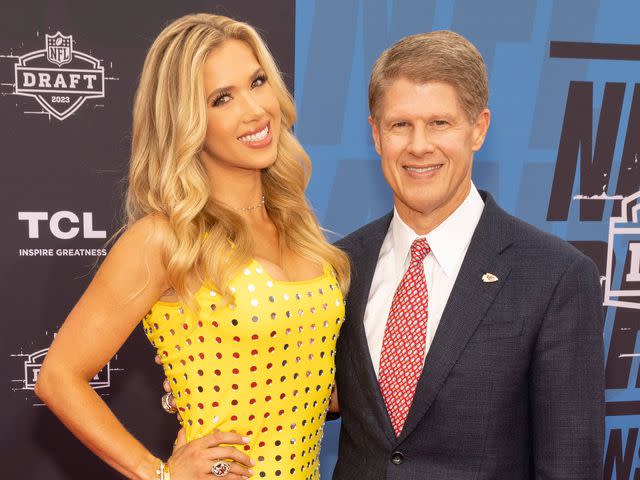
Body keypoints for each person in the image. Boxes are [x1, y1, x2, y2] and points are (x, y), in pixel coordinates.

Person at [34, 13, 349, 480]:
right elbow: (58, 376)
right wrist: (157, 473)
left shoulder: (296, 224)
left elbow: (313, 385)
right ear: (187, 121)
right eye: (222, 99)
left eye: (257, 82)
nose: (255, 109)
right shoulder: (166, 239)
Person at [332, 31, 605, 479]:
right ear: (376, 134)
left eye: (440, 123)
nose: (419, 146)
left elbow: (571, 465)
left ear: (478, 129)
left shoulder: (555, 278)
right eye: (400, 124)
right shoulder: (338, 266)